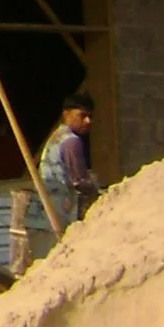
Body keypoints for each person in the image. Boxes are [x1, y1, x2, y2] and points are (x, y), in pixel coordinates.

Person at [34, 90, 101, 229]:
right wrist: (99, 195)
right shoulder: (71, 141)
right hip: (63, 209)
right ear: (66, 114)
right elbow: (79, 180)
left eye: (90, 116)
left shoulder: (56, 137)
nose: (88, 121)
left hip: (47, 206)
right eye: (82, 116)